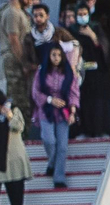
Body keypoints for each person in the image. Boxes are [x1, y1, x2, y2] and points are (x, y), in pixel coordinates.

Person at [31, 43, 80, 189]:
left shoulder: (68, 73)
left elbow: (74, 92)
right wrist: (50, 100)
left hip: (63, 112)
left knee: (63, 146)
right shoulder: (42, 72)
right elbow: (35, 92)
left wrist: (72, 111)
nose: (56, 58)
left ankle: (59, 177)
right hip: (46, 110)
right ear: (49, 56)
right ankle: (52, 162)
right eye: (54, 55)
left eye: (59, 55)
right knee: (49, 140)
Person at [0, 0, 36, 137]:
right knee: (19, 100)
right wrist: (23, 63)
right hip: (14, 60)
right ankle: (22, 135)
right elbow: (14, 40)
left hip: (17, 60)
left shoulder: (20, 12)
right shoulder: (12, 13)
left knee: (24, 98)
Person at [69, 3, 110, 137]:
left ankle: (100, 131)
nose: (82, 17)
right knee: (83, 103)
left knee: (98, 104)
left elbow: (105, 48)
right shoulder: (72, 31)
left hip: (97, 74)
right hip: (82, 74)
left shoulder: (96, 28)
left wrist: (92, 36)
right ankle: (83, 131)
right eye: (80, 14)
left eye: (85, 14)